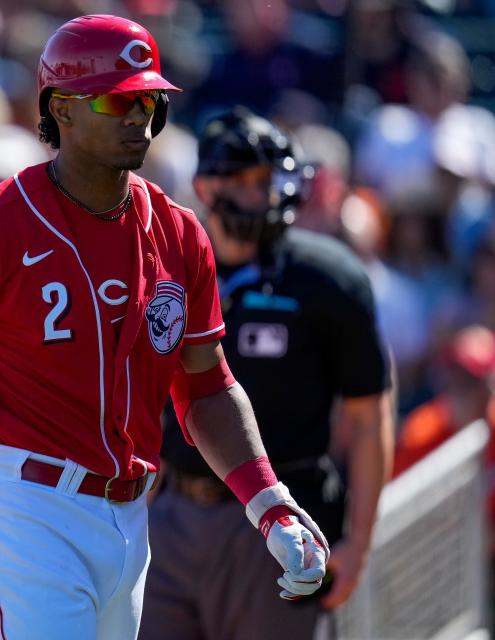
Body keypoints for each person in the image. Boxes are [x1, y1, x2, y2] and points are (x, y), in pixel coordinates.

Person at [0, 16, 328, 638]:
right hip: (28, 510)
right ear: (63, 110)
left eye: (150, 99)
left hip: (131, 518)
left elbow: (206, 386)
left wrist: (268, 501)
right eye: (119, 99)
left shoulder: (178, 232)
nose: (140, 114)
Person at [142, 107, 393, 640]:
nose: (265, 193)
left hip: (285, 515)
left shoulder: (327, 277)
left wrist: (359, 540)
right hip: (173, 512)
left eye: (270, 178)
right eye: (248, 181)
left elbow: (370, 417)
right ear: (207, 187)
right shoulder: (165, 265)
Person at [393, 325, 495, 639]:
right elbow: (399, 517)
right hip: (439, 562)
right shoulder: (422, 433)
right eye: (456, 378)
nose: (462, 390)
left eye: (473, 380)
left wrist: (487, 540)